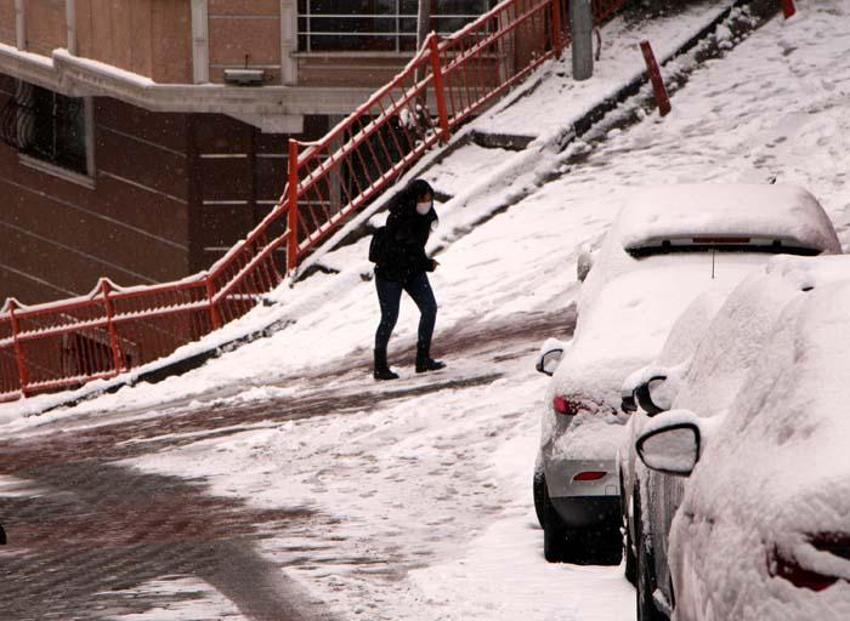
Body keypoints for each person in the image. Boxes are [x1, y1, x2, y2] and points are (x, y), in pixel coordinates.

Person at [372, 179, 446, 380]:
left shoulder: (426, 216)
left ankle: (423, 359)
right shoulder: (399, 217)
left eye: (430, 200)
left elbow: (415, 249)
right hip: (390, 273)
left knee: (429, 308)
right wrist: (426, 264)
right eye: (423, 200)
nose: (427, 204)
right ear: (413, 199)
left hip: (412, 271)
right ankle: (380, 367)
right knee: (389, 317)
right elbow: (407, 248)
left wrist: (423, 264)